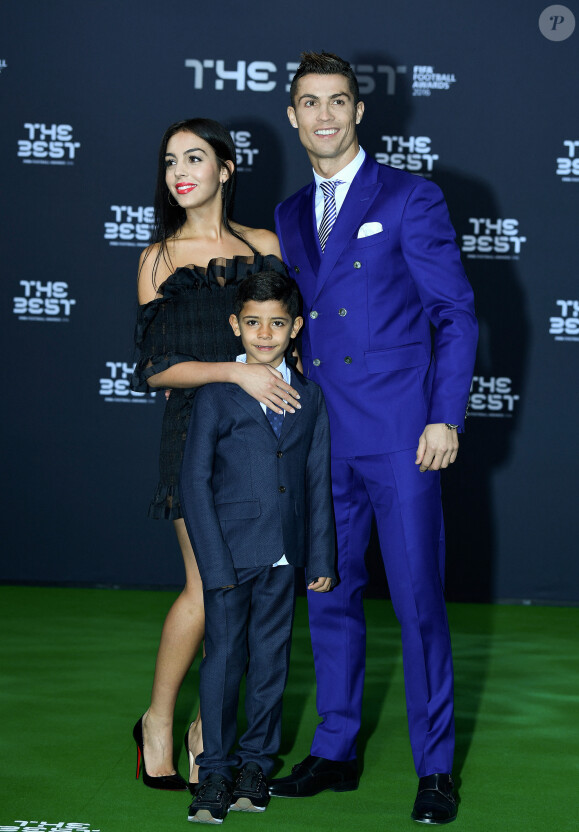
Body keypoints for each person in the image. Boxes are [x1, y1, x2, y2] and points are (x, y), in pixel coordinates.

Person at [269, 52, 478, 825]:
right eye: (308, 103)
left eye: (338, 101)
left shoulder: (411, 196)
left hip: (400, 436)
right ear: (293, 117)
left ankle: (436, 768)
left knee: (419, 600)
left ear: (360, 112)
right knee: (328, 595)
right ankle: (335, 748)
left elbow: (456, 314)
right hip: (321, 435)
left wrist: (444, 416)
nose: (324, 115)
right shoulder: (290, 214)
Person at [130, 118, 303, 792]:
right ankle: (158, 722)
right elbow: (154, 369)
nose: (180, 171)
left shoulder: (264, 246)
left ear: (226, 169)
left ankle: (209, 730)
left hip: (259, 442)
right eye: (171, 159)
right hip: (193, 438)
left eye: (195, 158)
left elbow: (283, 336)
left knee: (248, 595)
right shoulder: (157, 259)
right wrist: (232, 372)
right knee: (208, 590)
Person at [180, 271, 335, 824]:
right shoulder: (218, 395)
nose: (264, 334)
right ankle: (215, 770)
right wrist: (212, 561)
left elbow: (317, 480)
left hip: (285, 555)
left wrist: (320, 556)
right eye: (252, 323)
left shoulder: (311, 398)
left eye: (276, 323)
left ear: (295, 328)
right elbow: (193, 483)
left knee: (272, 661)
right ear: (235, 326)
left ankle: (255, 765)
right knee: (224, 661)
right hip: (230, 553)